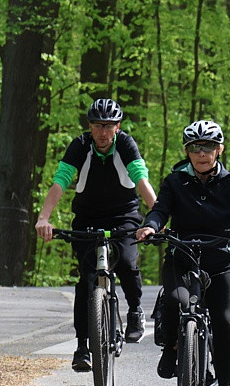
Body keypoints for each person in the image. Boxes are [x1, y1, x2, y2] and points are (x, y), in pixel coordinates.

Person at [135, 120, 230, 386]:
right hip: (183, 258)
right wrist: (150, 226)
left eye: (208, 146)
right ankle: (173, 346)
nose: (201, 153)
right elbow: (159, 209)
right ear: (187, 151)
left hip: (222, 262)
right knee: (175, 301)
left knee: (222, 320)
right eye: (195, 147)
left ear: (220, 149)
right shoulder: (175, 181)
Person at [36, 98, 157, 372]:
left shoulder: (125, 144)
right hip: (88, 218)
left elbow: (141, 180)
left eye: (109, 126)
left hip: (123, 216)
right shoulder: (80, 146)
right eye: (97, 126)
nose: (103, 132)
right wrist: (44, 218)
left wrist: (157, 216)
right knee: (87, 279)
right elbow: (60, 182)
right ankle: (82, 346)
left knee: (126, 261)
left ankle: (136, 309)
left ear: (118, 127)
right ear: (89, 126)